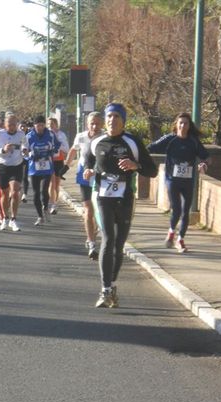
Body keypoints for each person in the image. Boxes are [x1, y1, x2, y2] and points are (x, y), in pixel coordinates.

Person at [84, 103, 158, 308]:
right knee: (108, 239)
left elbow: (152, 171)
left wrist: (136, 166)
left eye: (116, 116)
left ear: (123, 120)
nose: (111, 120)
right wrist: (88, 171)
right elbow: (88, 161)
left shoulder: (132, 142)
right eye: (109, 116)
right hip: (102, 197)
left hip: (125, 198)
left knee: (119, 245)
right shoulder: (97, 141)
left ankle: (112, 284)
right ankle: (105, 289)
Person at [147, 112, 210, 253]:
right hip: (172, 180)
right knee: (176, 209)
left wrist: (204, 164)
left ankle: (180, 240)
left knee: (185, 211)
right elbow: (151, 148)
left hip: (188, 181)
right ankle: (171, 232)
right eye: (180, 123)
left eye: (185, 123)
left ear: (189, 126)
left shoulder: (193, 141)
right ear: (176, 124)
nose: (182, 125)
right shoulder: (170, 139)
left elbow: (205, 156)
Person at [63, 111, 104, 259]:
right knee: (88, 210)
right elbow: (74, 150)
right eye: (92, 123)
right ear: (87, 124)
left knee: (97, 211)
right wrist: (66, 166)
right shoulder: (81, 136)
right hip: (84, 175)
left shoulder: (105, 137)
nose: (94, 126)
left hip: (100, 177)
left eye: (97, 123)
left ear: (102, 124)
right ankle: (92, 243)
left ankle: (92, 232)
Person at [0, 113, 28, 232]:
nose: (12, 126)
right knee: (4, 194)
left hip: (17, 165)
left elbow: (25, 145)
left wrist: (24, 150)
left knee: (15, 192)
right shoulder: (0, 134)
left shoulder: (21, 134)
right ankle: (5, 218)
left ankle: (13, 219)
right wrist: (3, 150)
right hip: (3, 166)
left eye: (14, 124)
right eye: (9, 124)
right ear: (5, 125)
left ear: (17, 124)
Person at [26, 115, 60, 225]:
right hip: (34, 168)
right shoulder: (29, 136)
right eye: (37, 125)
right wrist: (30, 155)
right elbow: (24, 152)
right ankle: (40, 216)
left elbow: (57, 146)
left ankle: (45, 208)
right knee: (36, 193)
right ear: (34, 125)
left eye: (41, 125)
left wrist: (51, 152)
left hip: (47, 166)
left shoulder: (50, 134)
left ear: (44, 125)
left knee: (44, 190)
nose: (40, 127)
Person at [47, 117, 69, 215]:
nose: (50, 126)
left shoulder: (61, 134)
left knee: (56, 183)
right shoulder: (46, 134)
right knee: (52, 183)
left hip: (59, 161)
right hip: (49, 161)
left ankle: (55, 202)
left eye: (52, 124)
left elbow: (66, 148)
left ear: (56, 124)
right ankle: (52, 203)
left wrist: (58, 146)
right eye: (48, 124)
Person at [19, 120, 32, 203]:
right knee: (18, 177)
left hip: (26, 158)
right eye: (21, 126)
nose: (23, 128)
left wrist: (29, 153)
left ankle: (25, 194)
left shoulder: (29, 136)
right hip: (18, 158)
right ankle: (17, 192)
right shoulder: (16, 135)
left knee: (25, 177)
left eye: (24, 126)